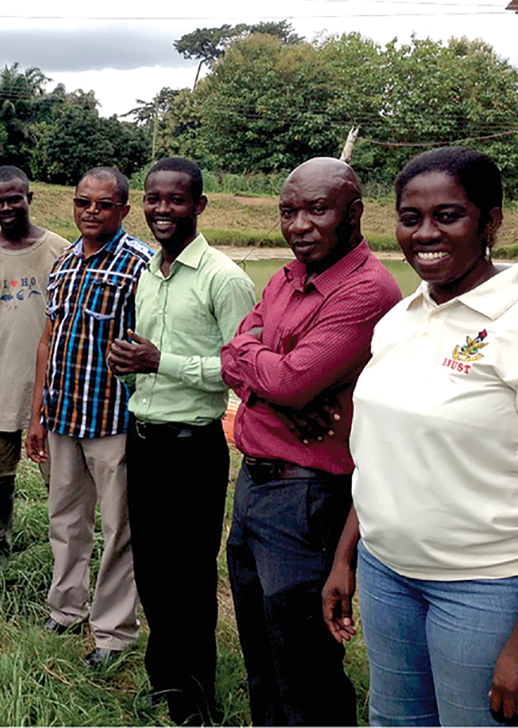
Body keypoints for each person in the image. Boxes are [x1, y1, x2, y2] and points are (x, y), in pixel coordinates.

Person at [321, 147, 518, 726]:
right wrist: (347, 554)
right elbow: (382, 454)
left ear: (491, 220)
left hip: (487, 589)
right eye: (411, 218)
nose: (425, 233)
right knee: (394, 721)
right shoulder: (398, 320)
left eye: (448, 215)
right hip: (388, 574)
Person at [220, 157, 401, 726]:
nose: (298, 225)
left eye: (316, 210)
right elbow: (237, 361)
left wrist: (271, 372)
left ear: (354, 213)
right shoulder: (286, 277)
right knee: (260, 645)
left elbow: (289, 378)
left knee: (303, 657)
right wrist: (274, 382)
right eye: (288, 211)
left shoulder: (366, 290)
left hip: (308, 497)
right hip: (255, 483)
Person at [108, 158, 256, 722]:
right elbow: (146, 358)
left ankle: (195, 701)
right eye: (153, 199)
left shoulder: (225, 277)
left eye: (175, 200)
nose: (161, 210)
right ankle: (164, 681)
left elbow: (241, 369)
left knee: (190, 574)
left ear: (199, 206)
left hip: (193, 446)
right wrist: (128, 364)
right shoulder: (149, 271)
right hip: (143, 438)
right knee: (151, 567)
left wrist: (159, 360)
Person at [27, 166, 151, 669]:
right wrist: (38, 413)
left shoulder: (142, 264)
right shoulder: (63, 261)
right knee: (65, 519)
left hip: (114, 419)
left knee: (120, 528)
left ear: (123, 209)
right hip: (63, 415)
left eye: (103, 204)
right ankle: (67, 606)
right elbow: (48, 339)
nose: (91, 212)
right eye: (83, 203)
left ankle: (114, 632)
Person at [0, 165, 69, 572]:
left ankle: (66, 553)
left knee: (59, 478)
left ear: (30, 198)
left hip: (54, 388)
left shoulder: (61, 251)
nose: (6, 207)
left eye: (13, 198)